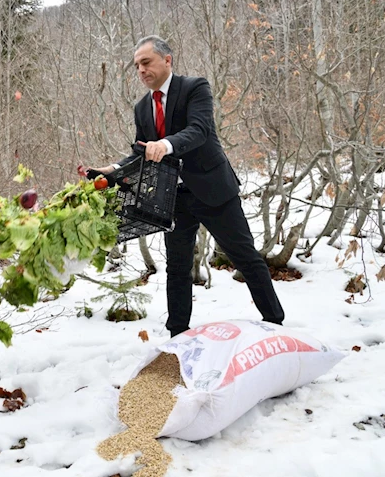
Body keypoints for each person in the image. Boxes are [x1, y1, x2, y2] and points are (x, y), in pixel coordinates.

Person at [90, 35, 285, 337]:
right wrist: (113, 170)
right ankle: (177, 335)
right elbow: (140, 153)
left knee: (246, 258)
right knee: (177, 269)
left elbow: (199, 130)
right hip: (174, 199)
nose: (141, 70)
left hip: (213, 190)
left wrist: (166, 145)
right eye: (136, 66)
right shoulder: (142, 108)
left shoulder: (195, 88)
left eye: (146, 62)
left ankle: (275, 323)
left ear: (167, 60)